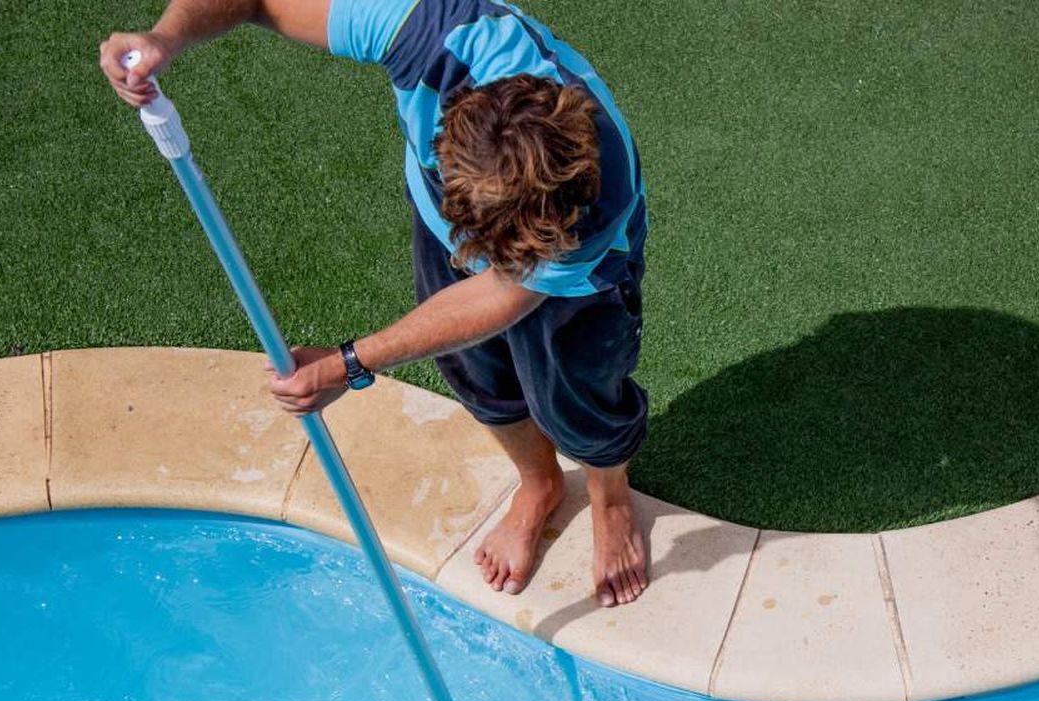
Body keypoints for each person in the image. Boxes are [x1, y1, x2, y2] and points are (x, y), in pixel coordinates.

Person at [100, 0, 650, 606]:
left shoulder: (596, 195)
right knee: (478, 376)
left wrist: (349, 364)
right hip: (454, 223)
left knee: (579, 404)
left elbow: (500, 294)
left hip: (579, 280)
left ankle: (610, 499)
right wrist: (165, 37)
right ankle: (538, 483)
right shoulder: (423, 31)